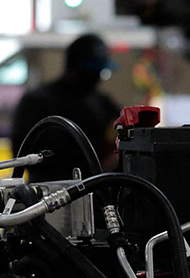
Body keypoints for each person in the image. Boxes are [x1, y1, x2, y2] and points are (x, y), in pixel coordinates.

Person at [9, 34, 121, 182]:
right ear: (74, 68)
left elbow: (124, 126)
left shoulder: (101, 102)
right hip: (48, 192)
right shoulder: (38, 101)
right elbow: (22, 155)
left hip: (94, 190)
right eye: (92, 73)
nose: (97, 79)